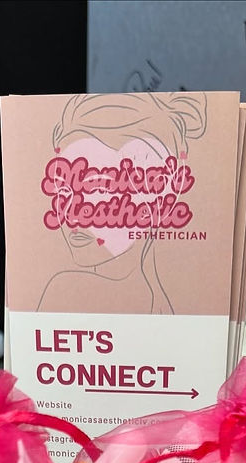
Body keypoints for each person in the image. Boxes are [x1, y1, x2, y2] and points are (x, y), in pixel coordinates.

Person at [38, 92, 208, 315]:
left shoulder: (65, 290)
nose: (73, 213)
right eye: (65, 184)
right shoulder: (162, 304)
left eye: (99, 187)